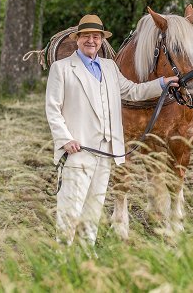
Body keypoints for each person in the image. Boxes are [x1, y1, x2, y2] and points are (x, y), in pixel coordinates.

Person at [45, 14, 178, 246]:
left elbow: (132, 91)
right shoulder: (62, 68)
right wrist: (65, 139)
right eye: (86, 36)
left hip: (107, 151)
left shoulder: (109, 67)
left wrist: (161, 83)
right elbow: (52, 109)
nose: (91, 41)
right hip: (78, 148)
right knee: (70, 208)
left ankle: (87, 252)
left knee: (94, 208)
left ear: (101, 40)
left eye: (95, 37)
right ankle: (62, 258)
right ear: (77, 39)